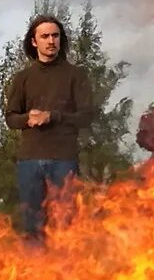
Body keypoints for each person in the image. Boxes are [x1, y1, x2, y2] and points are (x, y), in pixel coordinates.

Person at [5, 14, 95, 240]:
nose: (51, 40)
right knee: (32, 224)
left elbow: (88, 116)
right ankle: (36, 272)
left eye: (55, 35)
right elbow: (10, 118)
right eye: (44, 36)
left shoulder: (76, 75)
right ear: (34, 42)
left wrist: (52, 116)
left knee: (64, 222)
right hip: (30, 159)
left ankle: (64, 271)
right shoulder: (23, 78)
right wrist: (28, 118)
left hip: (63, 158)